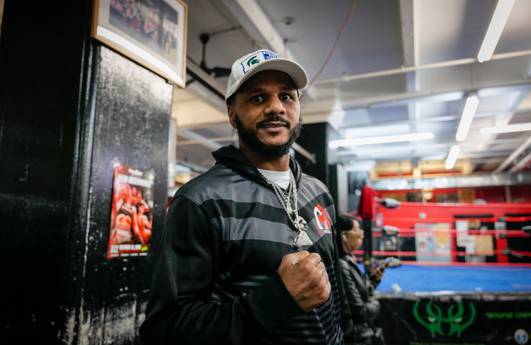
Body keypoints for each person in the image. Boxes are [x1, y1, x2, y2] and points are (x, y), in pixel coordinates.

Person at [140, 49, 344, 345]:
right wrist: (275, 300)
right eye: (258, 98)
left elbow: (336, 292)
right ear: (232, 114)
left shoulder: (319, 192)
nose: (276, 107)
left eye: (286, 96)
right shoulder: (200, 200)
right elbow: (165, 329)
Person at [335, 214, 386, 345]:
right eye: (357, 229)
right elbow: (360, 312)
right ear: (344, 236)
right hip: (357, 338)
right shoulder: (342, 265)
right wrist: (376, 302)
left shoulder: (348, 260)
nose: (362, 233)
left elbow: (362, 293)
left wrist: (374, 280)